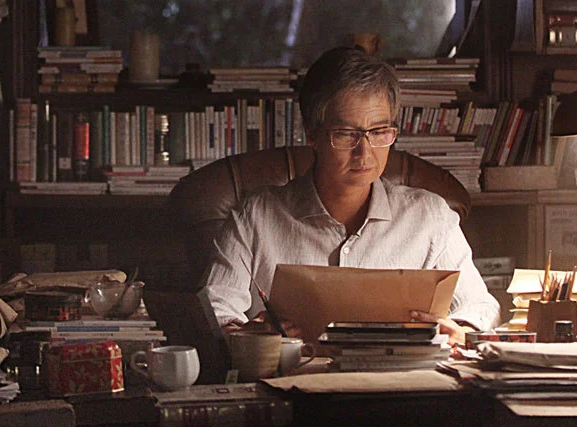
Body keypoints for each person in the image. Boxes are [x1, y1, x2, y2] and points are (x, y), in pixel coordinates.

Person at [201, 46, 500, 344]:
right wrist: (248, 334)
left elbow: (480, 306)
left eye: (379, 132)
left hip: (400, 372)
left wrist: (459, 330)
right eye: (346, 134)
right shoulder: (256, 217)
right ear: (312, 134)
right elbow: (215, 313)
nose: (365, 153)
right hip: (291, 371)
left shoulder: (430, 217)